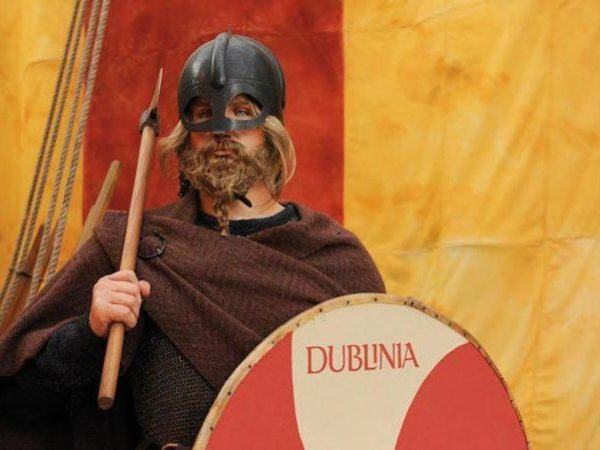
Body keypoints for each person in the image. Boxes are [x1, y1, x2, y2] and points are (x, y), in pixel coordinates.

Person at [0, 32, 385, 449]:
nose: (222, 130)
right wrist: (87, 335)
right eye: (204, 113)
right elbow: (19, 405)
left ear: (272, 131)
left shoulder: (332, 258)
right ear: (185, 137)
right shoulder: (134, 249)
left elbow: (382, 402)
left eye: (242, 111)